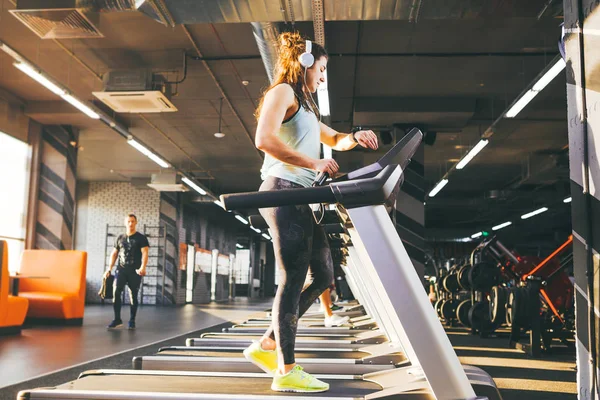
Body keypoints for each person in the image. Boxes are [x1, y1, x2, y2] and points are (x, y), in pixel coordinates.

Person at [243, 32, 378, 393]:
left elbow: (335, 140)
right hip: (282, 191)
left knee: (323, 275)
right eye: (321, 68)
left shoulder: (305, 107)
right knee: (292, 278)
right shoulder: (283, 93)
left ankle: (268, 344)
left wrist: (356, 136)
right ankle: (285, 368)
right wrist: (313, 161)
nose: (323, 76)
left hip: (302, 197)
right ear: (304, 64)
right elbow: (264, 139)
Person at [104, 214, 149, 330]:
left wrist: (143, 267)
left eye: (133, 221)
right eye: (128, 221)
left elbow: (145, 253)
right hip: (121, 269)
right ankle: (117, 319)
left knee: (133, 295)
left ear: (136, 222)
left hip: (135, 271)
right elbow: (114, 253)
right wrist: (109, 268)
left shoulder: (141, 238)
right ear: (125, 223)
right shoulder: (120, 238)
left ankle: (132, 320)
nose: (130, 223)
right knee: (116, 292)